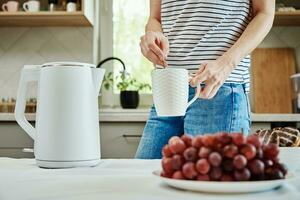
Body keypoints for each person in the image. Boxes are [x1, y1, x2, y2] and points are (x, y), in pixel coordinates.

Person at [136, 0, 275, 159]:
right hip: (169, 89)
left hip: (217, 88)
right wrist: (153, 35)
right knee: (144, 178)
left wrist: (227, 64)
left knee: (210, 179)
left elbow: (265, 13)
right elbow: (155, 18)